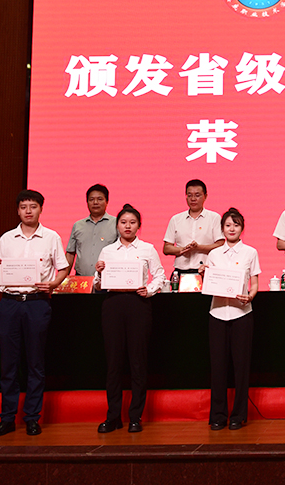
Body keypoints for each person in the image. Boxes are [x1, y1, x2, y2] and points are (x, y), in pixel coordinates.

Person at [0, 190, 69, 437]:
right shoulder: (7, 238)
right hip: (9, 303)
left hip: (36, 303)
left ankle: (32, 417)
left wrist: (53, 284)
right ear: (18, 210)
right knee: (8, 362)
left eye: (33, 206)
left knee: (35, 361)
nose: (28, 211)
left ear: (41, 209)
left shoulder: (51, 237)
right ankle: (7, 418)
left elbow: (63, 269)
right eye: (24, 207)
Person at [94, 204, 165, 433]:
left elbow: (160, 276)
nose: (128, 226)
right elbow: (97, 284)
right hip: (113, 304)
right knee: (113, 362)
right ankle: (113, 416)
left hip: (138, 304)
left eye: (132, 222)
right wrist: (99, 273)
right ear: (117, 225)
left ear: (139, 226)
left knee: (137, 361)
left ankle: (135, 416)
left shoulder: (147, 249)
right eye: (123, 222)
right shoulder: (107, 251)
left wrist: (149, 290)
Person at [200, 207, 260, 430]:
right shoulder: (214, 254)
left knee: (241, 368)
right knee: (218, 368)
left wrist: (250, 296)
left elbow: (254, 283)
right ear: (222, 229)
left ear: (242, 228)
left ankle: (238, 415)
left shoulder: (250, 252)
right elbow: (209, 284)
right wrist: (203, 274)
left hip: (241, 314)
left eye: (236, 224)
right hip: (217, 314)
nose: (232, 228)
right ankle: (217, 415)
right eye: (227, 225)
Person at [163, 179, 224, 274]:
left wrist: (198, 248)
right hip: (180, 271)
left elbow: (221, 245)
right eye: (189, 195)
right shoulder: (176, 219)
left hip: (205, 271)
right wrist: (183, 249)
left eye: (197, 195)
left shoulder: (214, 218)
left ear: (205, 196)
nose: (193, 199)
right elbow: (166, 248)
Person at [65, 183, 118, 279]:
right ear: (87, 202)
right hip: (81, 279)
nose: (95, 202)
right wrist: (63, 278)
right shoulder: (78, 225)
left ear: (107, 201)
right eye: (91, 199)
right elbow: (70, 254)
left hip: (108, 278)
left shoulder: (116, 224)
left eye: (100, 199)